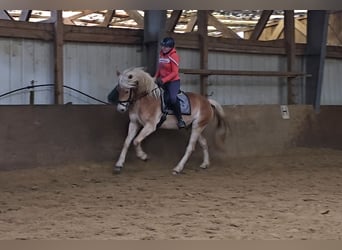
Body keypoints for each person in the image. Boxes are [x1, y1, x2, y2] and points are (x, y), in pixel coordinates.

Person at [154, 37, 186, 129]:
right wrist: (155, 77)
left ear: (170, 47)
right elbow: (160, 68)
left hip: (173, 82)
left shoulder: (173, 56)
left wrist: (163, 80)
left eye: (166, 47)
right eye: (163, 46)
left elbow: (174, 72)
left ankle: (180, 119)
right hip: (163, 80)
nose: (163, 48)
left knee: (172, 98)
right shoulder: (161, 54)